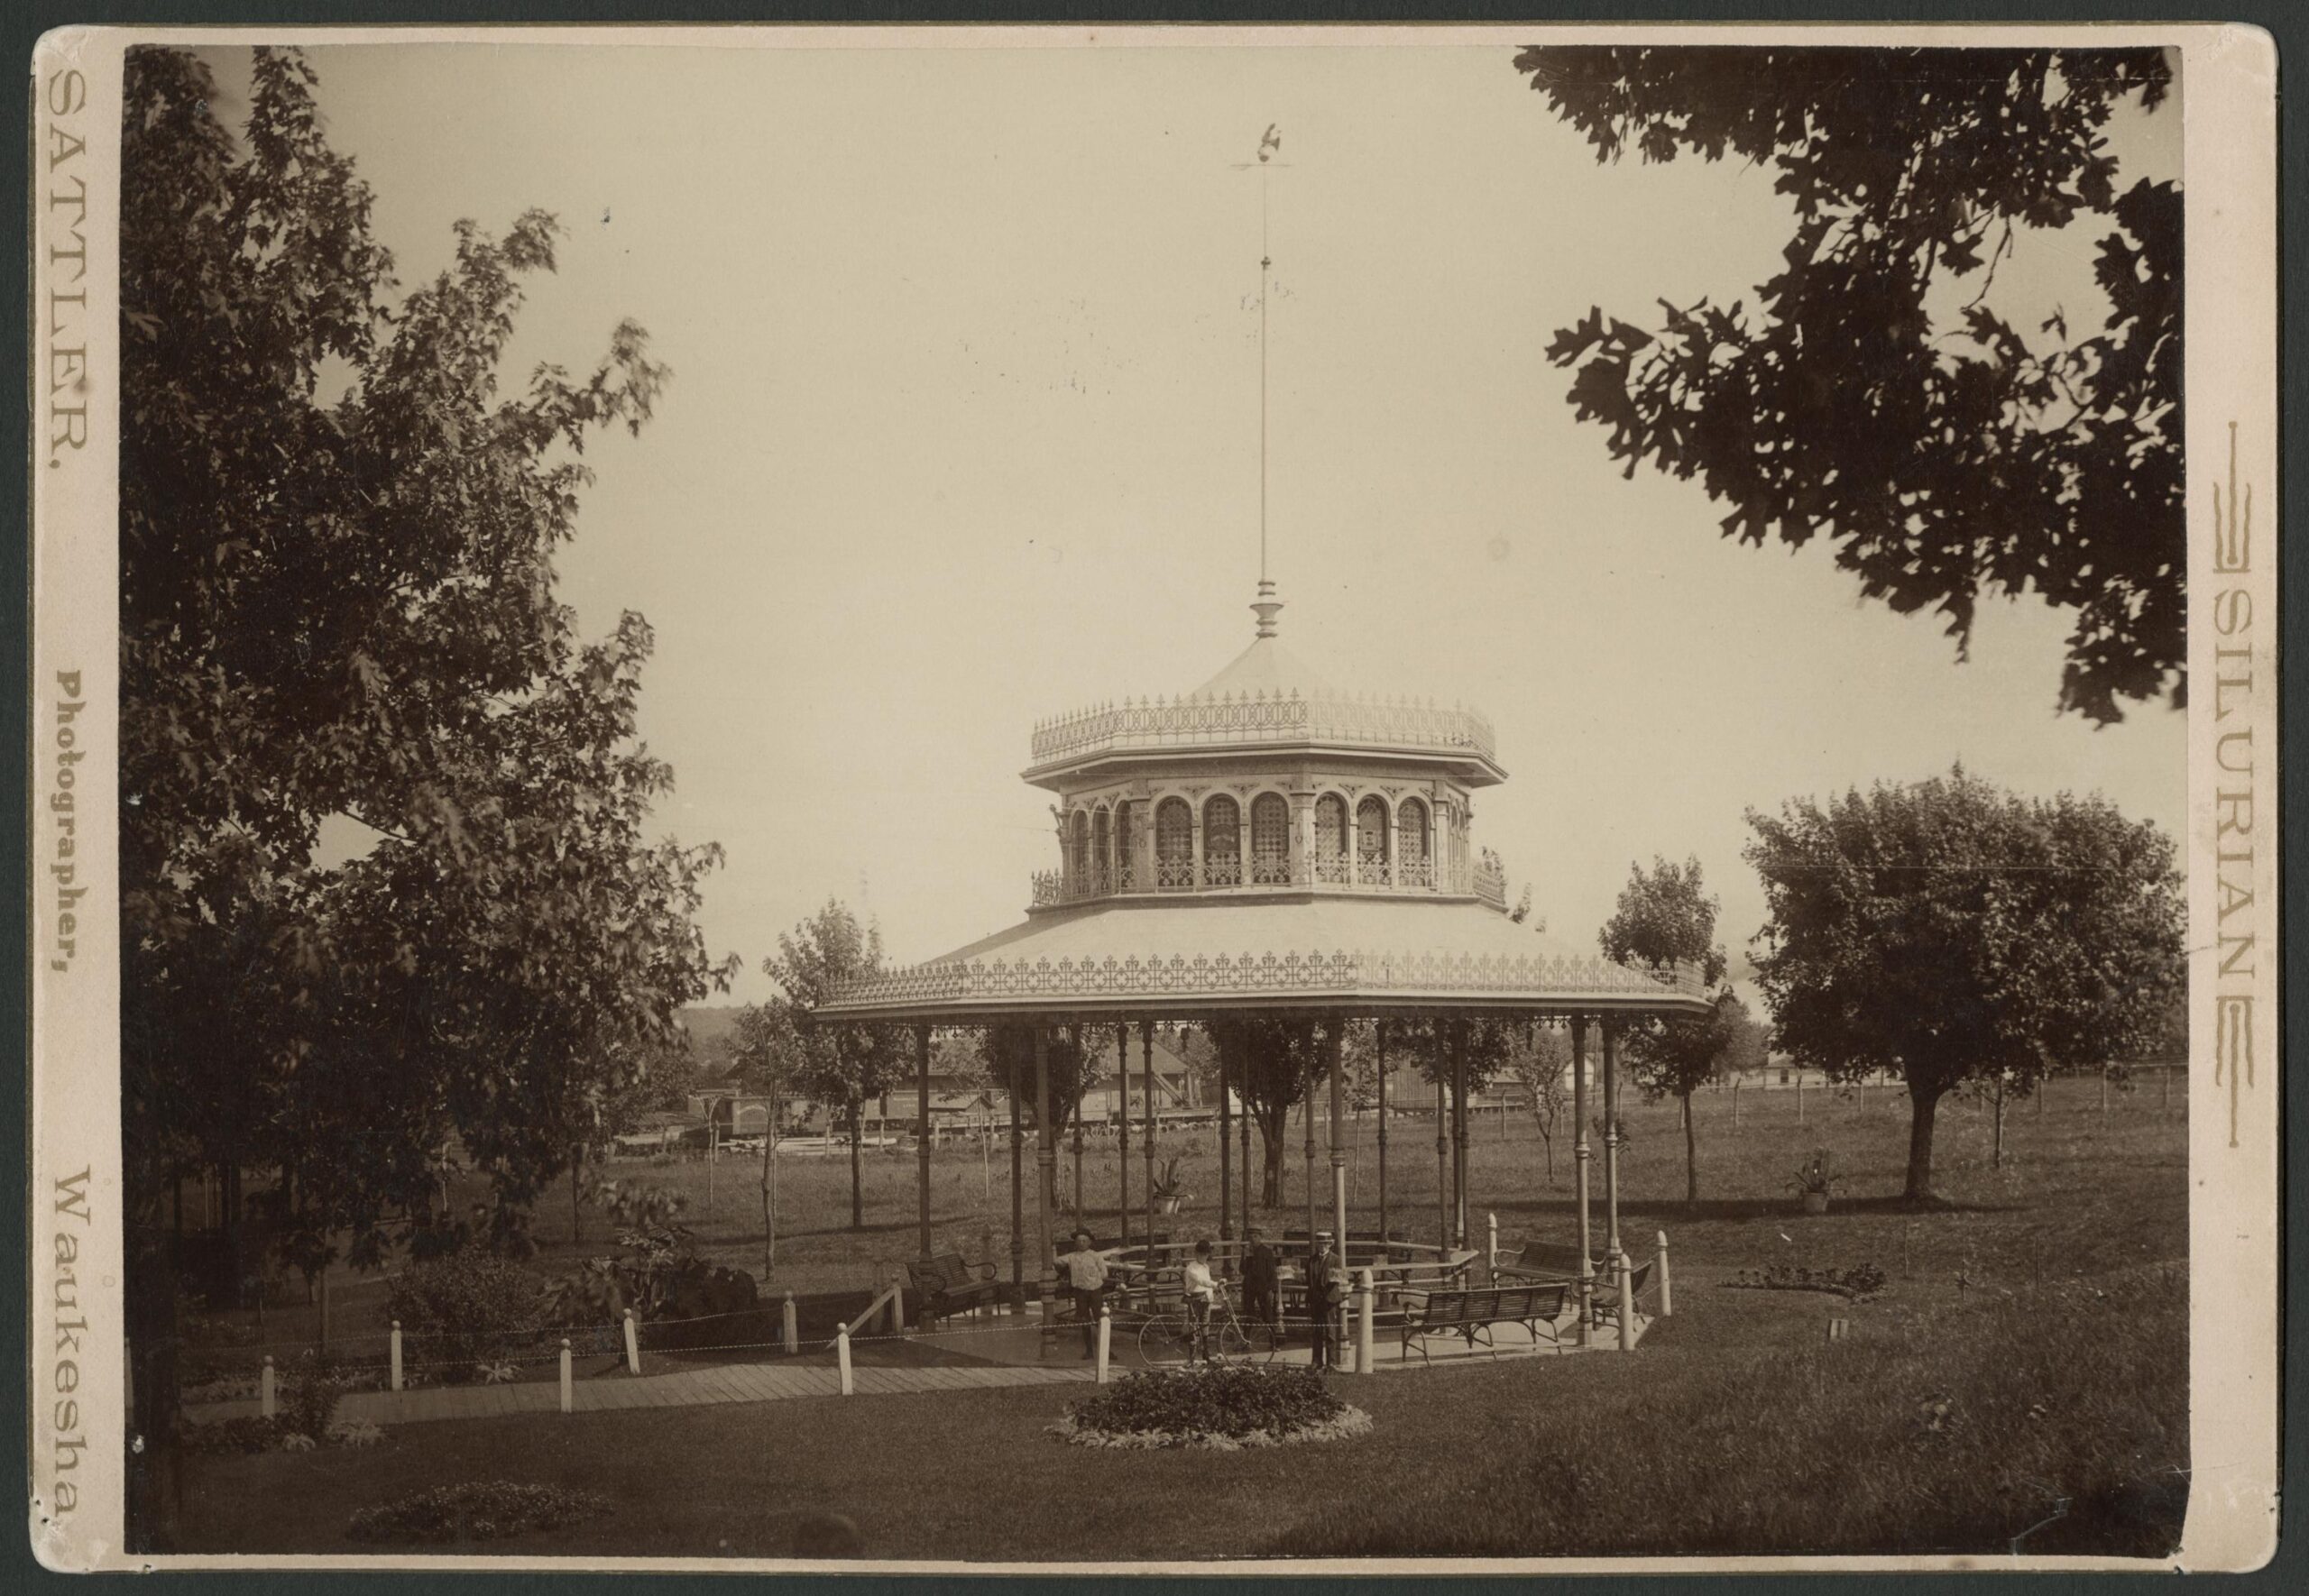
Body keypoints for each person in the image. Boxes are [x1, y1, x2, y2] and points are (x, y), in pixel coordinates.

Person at [1053, 1230, 1120, 1359]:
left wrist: (1093, 1280)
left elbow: (1104, 1273)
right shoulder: (1071, 1257)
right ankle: (1089, 1351)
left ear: (1089, 1242)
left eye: (1084, 1241)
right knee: (1084, 1321)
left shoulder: (1096, 1256)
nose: (1082, 1243)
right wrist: (1052, 1248)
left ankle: (1106, 1350)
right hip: (1080, 1293)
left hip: (1095, 1291)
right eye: (1079, 1241)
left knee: (1100, 1319)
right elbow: (1056, 1261)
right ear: (1075, 1243)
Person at [1305, 1231, 1347, 1371]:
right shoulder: (1312, 1260)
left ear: (1330, 1244)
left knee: (1330, 1331)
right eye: (1320, 1244)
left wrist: (1325, 1288)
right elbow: (1308, 1279)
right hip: (1315, 1299)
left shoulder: (1335, 1259)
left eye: (1325, 1244)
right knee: (1316, 1331)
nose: (1322, 1246)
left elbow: (1337, 1279)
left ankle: (1331, 1362)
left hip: (1329, 1299)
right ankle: (1317, 1360)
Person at [1180, 1239, 1221, 1363]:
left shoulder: (1206, 1267)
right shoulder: (1191, 1268)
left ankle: (1206, 1355)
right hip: (1194, 1299)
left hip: (1206, 1300)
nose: (1203, 1257)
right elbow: (1201, 1281)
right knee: (1193, 1328)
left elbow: (1206, 1282)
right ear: (1196, 1253)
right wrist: (1215, 1284)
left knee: (1205, 1327)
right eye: (1201, 1254)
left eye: (1206, 1254)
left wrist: (1214, 1292)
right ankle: (1192, 1358)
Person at [1240, 1226, 1281, 1348]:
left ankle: (1273, 1342)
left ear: (1261, 1238)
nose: (1253, 1240)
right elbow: (1242, 1270)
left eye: (1256, 1237)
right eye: (1250, 1237)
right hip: (1249, 1288)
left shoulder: (1266, 1252)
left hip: (1263, 1288)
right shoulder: (1247, 1252)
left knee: (1267, 1314)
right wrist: (1244, 1257)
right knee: (1248, 1315)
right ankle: (1246, 1341)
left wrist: (1272, 1289)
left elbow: (1272, 1272)